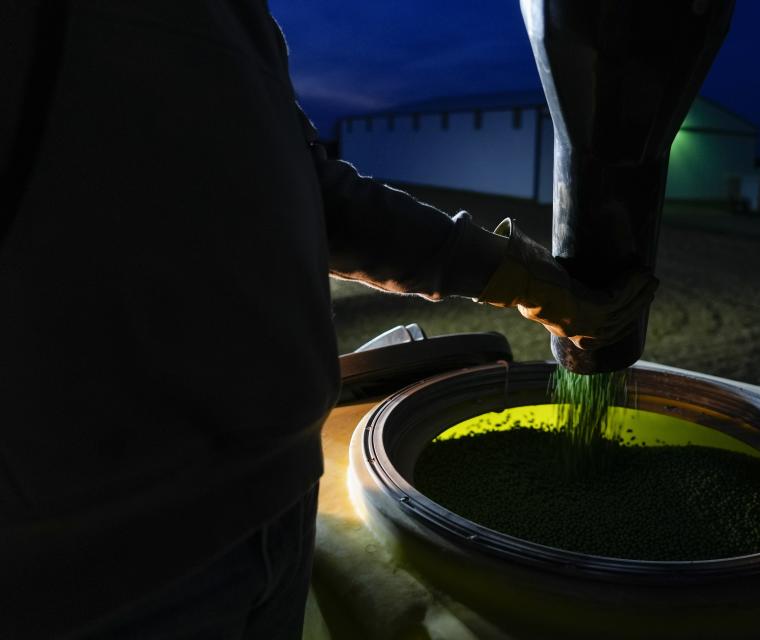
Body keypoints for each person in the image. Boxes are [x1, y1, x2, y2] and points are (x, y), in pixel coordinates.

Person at [0, 2, 656, 637]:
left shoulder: (236, 15)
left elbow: (314, 194)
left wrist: (522, 278)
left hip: (279, 500)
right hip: (105, 572)